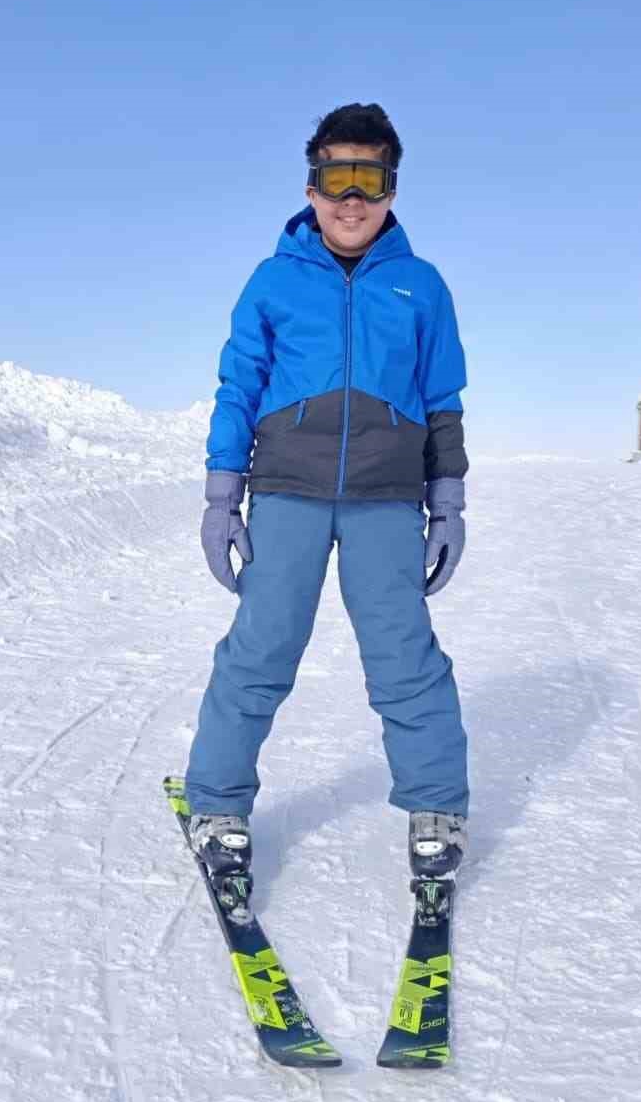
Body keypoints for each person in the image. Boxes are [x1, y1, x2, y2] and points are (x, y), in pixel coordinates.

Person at [188, 102, 468, 886]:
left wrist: (447, 501)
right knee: (261, 649)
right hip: (287, 493)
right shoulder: (274, 281)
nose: (351, 198)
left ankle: (436, 803)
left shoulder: (421, 285)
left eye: (368, 179)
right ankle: (217, 802)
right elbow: (238, 386)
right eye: (335, 177)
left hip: (386, 498)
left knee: (405, 656)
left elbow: (442, 397)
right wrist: (222, 495)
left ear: (392, 188)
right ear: (311, 187)